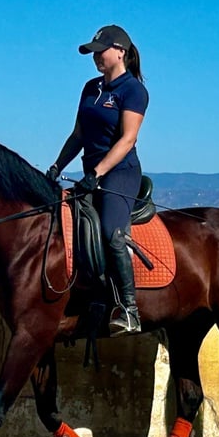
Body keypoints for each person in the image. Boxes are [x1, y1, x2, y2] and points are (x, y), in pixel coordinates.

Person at [47, 25, 148, 336]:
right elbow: (78, 135)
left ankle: (128, 309)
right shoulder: (91, 88)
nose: (95, 57)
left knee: (111, 232)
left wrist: (97, 173)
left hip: (119, 173)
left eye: (100, 50)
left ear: (120, 51)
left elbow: (127, 140)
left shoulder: (133, 90)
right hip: (91, 172)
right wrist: (56, 166)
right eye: (93, 52)